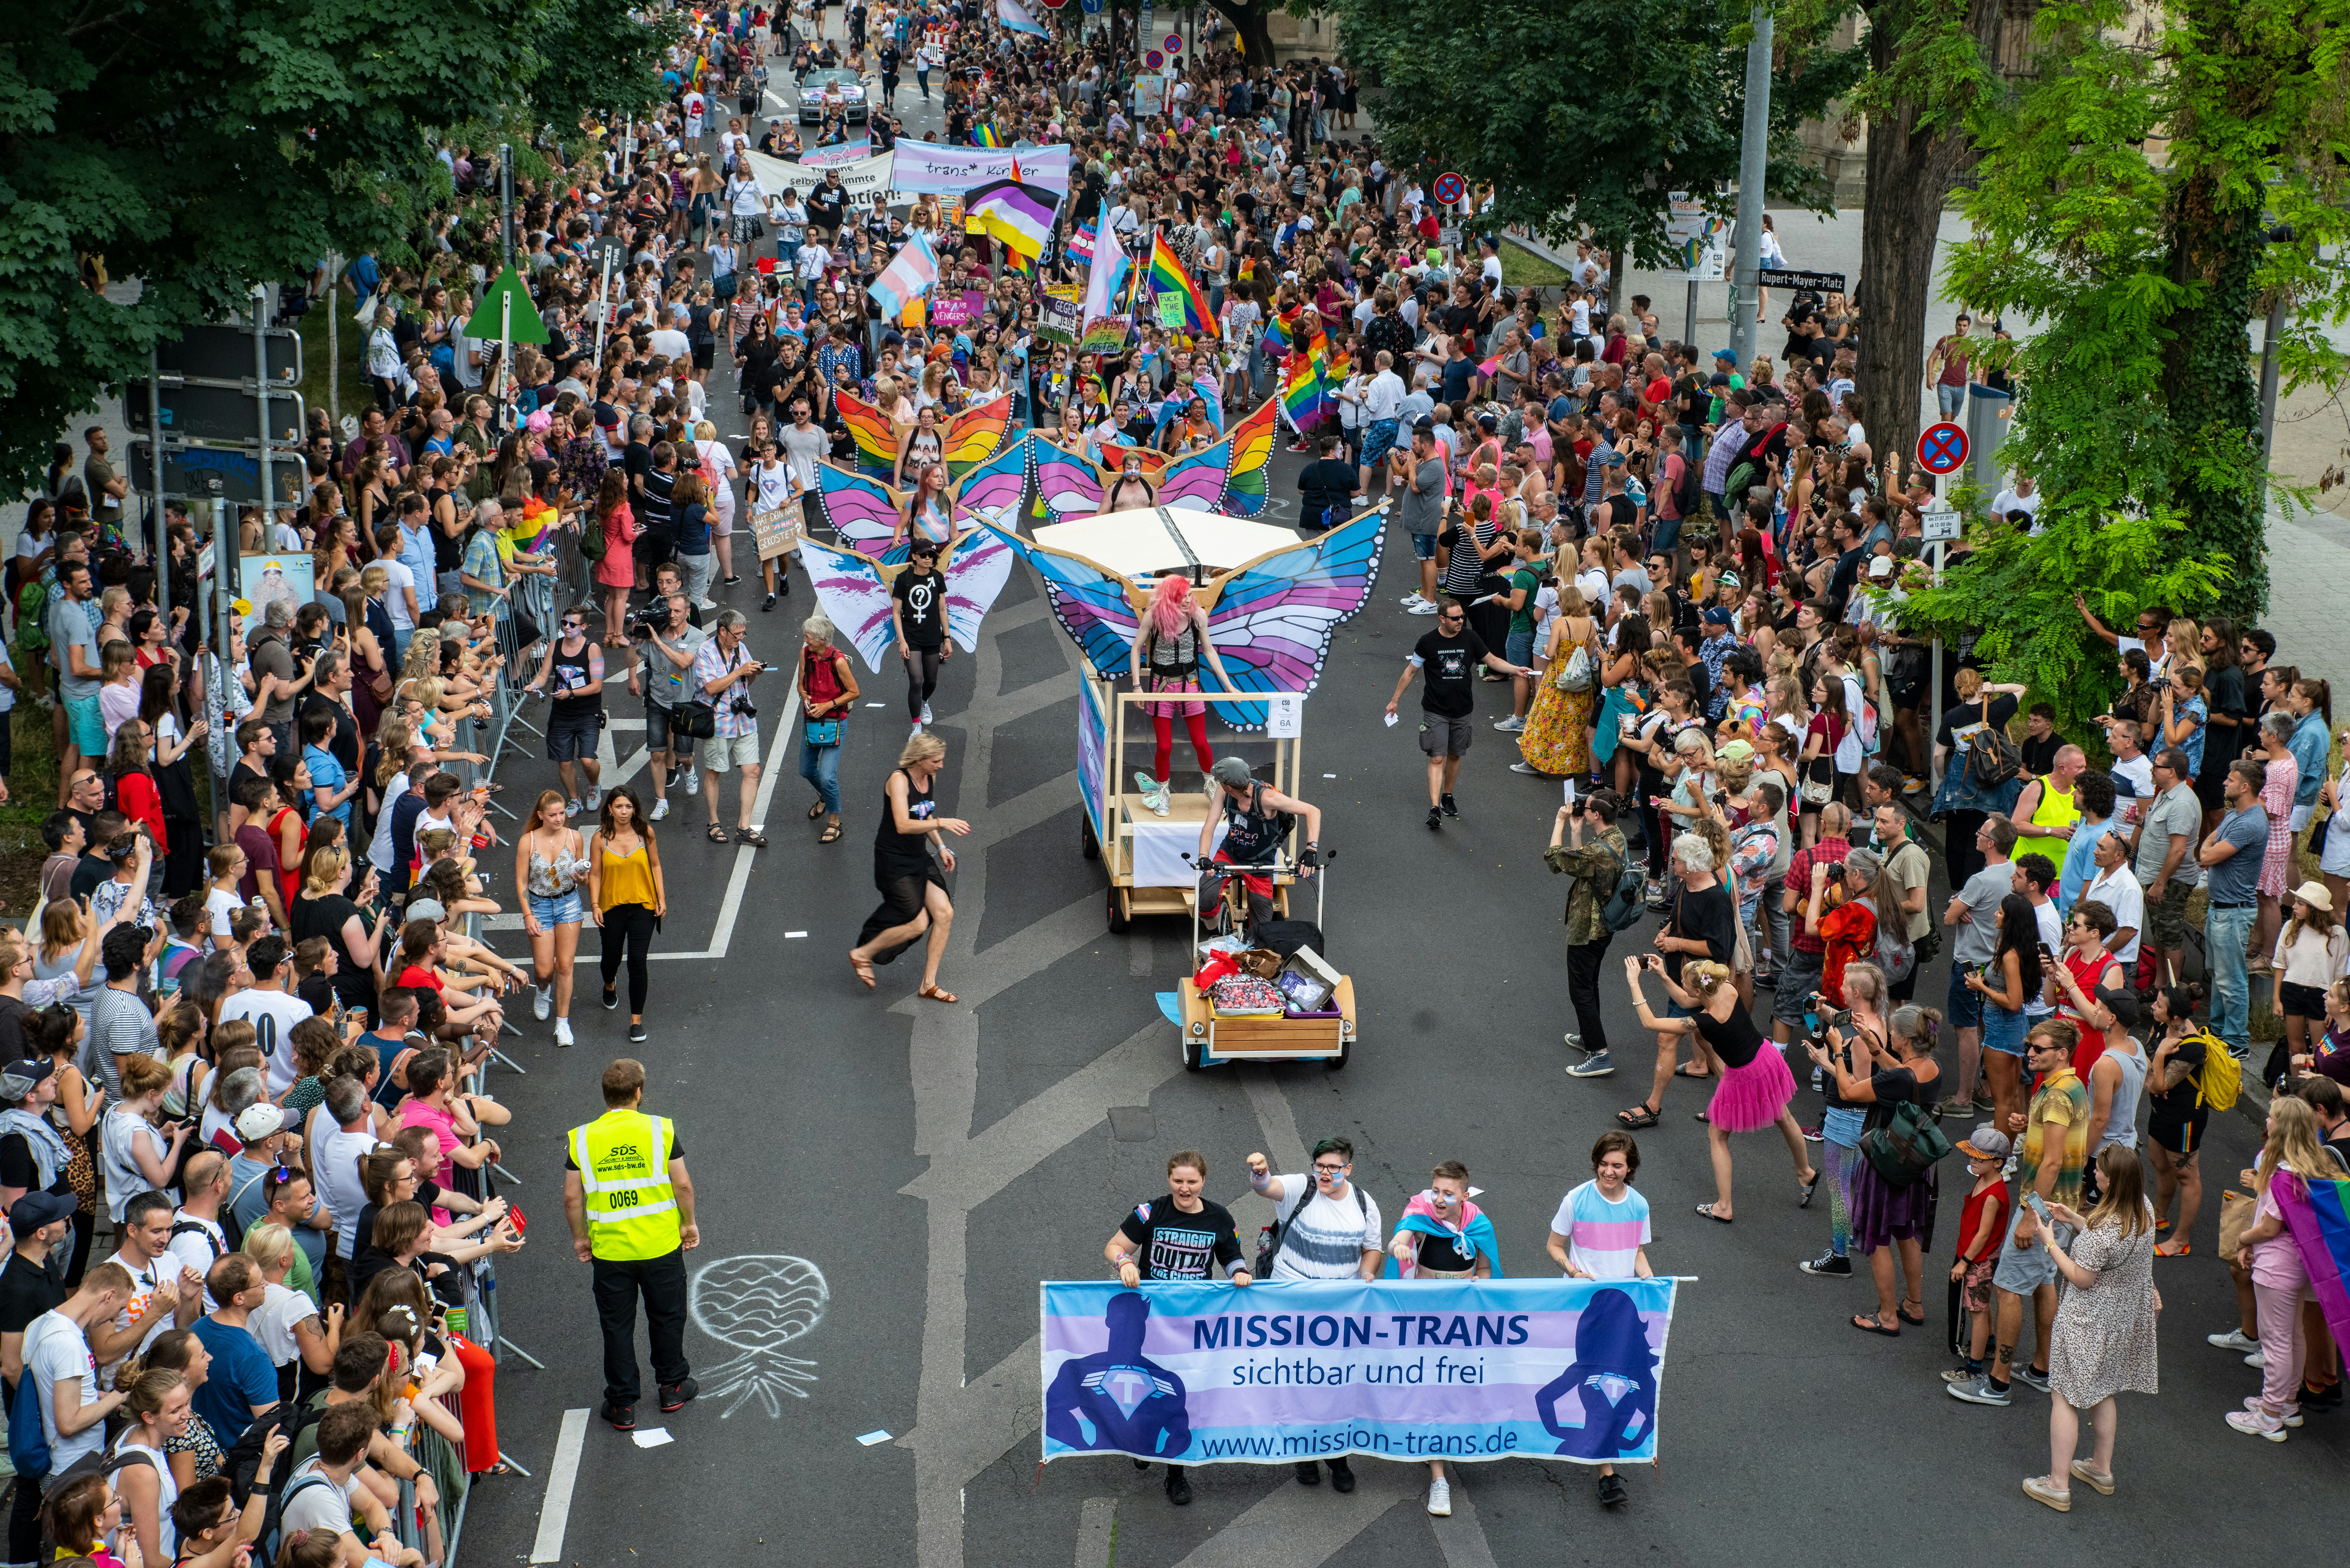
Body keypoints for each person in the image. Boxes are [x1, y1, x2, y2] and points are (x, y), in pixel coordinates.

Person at [1102, 1150, 1251, 1508]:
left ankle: (1176, 1473)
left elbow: (1231, 1255)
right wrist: (1124, 1262)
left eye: (1192, 1182)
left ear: (1203, 1181)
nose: (1185, 1189)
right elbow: (1115, 1246)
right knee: (1145, 1385)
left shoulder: (1220, 1217)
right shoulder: (1150, 1211)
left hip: (1193, 1324)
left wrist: (1239, 1273)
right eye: (1178, 1181)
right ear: (1169, 1180)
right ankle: (1141, 1441)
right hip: (1152, 1322)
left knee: (1180, 1393)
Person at [1949, 1020, 2087, 1408]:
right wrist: (2030, 1124)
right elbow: (2062, 1139)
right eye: (2030, 1047)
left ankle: (1997, 1383)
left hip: (2043, 1208)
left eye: (2039, 1049)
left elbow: (2053, 1161)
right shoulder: (2068, 1087)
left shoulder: (2058, 1095)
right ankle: (2042, 1370)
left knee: (2008, 1290)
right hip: (2062, 1209)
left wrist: (2030, 1216)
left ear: (2061, 1053)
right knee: (2044, 1283)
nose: (2030, 1054)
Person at [564, 1056, 697, 1432]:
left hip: (611, 1252)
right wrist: (688, 1225)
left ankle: (622, 1404)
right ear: (639, 1093)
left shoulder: (583, 1138)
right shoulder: (660, 1130)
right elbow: (682, 1184)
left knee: (617, 1326)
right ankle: (672, 1387)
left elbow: (573, 1198)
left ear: (606, 1095)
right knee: (668, 1316)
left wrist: (580, 1238)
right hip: (660, 1245)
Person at [1628, 954, 1813, 1223]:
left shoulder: (1704, 1021)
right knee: (1782, 1114)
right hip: (1765, 1057)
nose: (1684, 986)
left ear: (1699, 989)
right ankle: (1805, 1172)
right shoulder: (1726, 989)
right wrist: (1663, 976)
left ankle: (1723, 1207)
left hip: (1744, 1074)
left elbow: (1650, 1022)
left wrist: (1634, 982)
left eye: (1685, 983)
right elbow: (1686, 1000)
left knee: (1717, 1135)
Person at [1244, 1138, 1384, 1493]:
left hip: (1339, 1311)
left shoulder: (1365, 1204)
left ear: (1347, 1169)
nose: (1324, 1173)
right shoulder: (1300, 1189)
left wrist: (1366, 1278)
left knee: (1334, 1382)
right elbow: (1266, 1186)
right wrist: (1259, 1171)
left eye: (1333, 1168)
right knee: (1298, 1379)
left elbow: (1371, 1249)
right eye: (1319, 1165)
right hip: (1290, 1305)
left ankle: (1337, 1457)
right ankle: (1304, 1455)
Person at [2025, 1147, 2161, 1509]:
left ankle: (2057, 1485)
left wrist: (2050, 1241)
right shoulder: (2142, 1209)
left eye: (2098, 1171)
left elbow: (2081, 1277)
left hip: (2087, 1321)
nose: (2093, 1174)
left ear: (2111, 1180)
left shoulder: (2105, 1231)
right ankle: (2101, 1468)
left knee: (2065, 1397)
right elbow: (2110, 1246)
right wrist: (2073, 1218)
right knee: (2103, 1391)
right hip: (2121, 1317)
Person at [1811, 1001, 1942, 1336]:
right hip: (1914, 1162)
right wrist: (1873, 1047)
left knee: (1877, 1239)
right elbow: (1903, 1074)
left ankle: (1887, 1315)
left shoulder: (1896, 1078)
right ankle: (1913, 1304)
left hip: (1884, 1163)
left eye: (1892, 1033)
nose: (1889, 1037)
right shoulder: (1931, 1069)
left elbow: (1849, 1091)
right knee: (1905, 1231)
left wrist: (1837, 1053)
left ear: (1904, 1039)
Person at [1543, 1131, 1652, 1510]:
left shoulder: (1638, 1205)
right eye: (1604, 1164)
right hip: (1585, 1311)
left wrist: (1649, 1284)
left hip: (1621, 1314)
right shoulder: (1575, 1200)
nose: (1609, 1172)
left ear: (1630, 1168)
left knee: (1615, 1383)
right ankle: (1607, 1472)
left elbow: (1636, 1251)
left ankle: (1606, 1469)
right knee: (1601, 1382)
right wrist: (1572, 1271)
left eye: (1617, 1166)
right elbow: (1554, 1246)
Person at [1386, 1160, 1500, 1518]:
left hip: (1460, 1321)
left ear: (1464, 1195)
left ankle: (1447, 1438)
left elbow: (1484, 1268)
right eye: (1435, 1190)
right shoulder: (1421, 1214)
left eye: (1447, 1193)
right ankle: (1439, 1477)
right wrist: (1398, 1249)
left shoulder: (1479, 1224)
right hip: (1425, 1318)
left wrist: (1479, 1286)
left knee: (1455, 1387)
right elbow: (1400, 1238)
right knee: (1430, 1387)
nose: (1438, 1199)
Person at [1383, 596, 1530, 830]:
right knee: (1437, 757)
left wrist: (1515, 670)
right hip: (1435, 709)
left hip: (1463, 709)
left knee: (1454, 755)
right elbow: (1411, 672)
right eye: (1455, 618)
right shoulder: (1427, 642)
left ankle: (1448, 796)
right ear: (1442, 619)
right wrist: (1394, 700)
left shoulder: (1470, 637)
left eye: (1462, 616)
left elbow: (1491, 659)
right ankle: (1434, 809)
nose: (1460, 621)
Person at [850, 732, 967, 1003]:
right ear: (921, 759)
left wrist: (941, 848)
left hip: (918, 856)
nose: (940, 766)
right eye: (936, 761)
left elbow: (925, 814)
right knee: (917, 923)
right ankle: (863, 954)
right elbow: (903, 824)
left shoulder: (929, 778)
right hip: (894, 860)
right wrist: (941, 824)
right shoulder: (898, 781)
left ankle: (928, 984)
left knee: (944, 913)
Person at [1128, 573, 1239, 813]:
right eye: (1182, 597)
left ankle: (1211, 787)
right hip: (1161, 685)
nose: (1189, 600)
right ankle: (1162, 791)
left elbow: (1209, 651)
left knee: (1200, 741)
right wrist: (1137, 685)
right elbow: (1136, 648)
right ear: (1170, 598)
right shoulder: (1154, 617)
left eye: (1190, 594)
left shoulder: (1198, 616)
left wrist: (1228, 685)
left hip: (1190, 683)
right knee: (1165, 746)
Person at [1551, 791, 1633, 1074]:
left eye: (1585, 809)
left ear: (1596, 815)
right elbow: (1582, 866)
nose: (1580, 811)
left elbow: (1555, 859)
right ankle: (1589, 1036)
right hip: (1604, 925)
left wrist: (1561, 823)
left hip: (1588, 927)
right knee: (1590, 983)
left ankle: (1600, 1054)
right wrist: (1577, 832)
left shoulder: (1598, 850)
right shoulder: (1616, 838)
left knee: (1580, 990)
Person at [1194, 756, 1321, 935]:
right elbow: (1210, 825)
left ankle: (1252, 949)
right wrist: (1204, 857)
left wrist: (1311, 850)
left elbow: (1313, 811)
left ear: (1228, 786)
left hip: (1261, 861)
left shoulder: (1267, 798)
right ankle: (1215, 936)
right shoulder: (1223, 794)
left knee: (1262, 925)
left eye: (1220, 781)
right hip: (1231, 854)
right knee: (1206, 897)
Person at [2201, 759, 2271, 1059]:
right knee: (2217, 975)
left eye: (2230, 781)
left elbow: (2207, 857)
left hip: (2233, 912)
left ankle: (2237, 1041)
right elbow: (2210, 847)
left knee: (2232, 980)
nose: (2224, 784)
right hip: (2219, 908)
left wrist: (2207, 849)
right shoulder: (2234, 815)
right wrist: (2208, 848)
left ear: (2244, 787)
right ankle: (2218, 1032)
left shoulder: (2251, 822)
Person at [588, 787, 664, 1047]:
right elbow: (595, 874)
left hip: (643, 906)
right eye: (619, 807)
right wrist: (596, 905)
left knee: (637, 962)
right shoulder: (600, 839)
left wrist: (661, 899)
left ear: (635, 809)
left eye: (629, 807)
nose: (624, 812)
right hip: (612, 908)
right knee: (610, 960)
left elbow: (655, 865)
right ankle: (609, 984)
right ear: (610, 808)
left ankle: (635, 1021)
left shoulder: (646, 834)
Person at [514, 788, 589, 1048]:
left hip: (569, 903)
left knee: (565, 967)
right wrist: (527, 914)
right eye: (553, 815)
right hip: (539, 906)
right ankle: (543, 990)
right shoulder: (529, 841)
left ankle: (562, 1023)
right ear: (541, 816)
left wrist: (583, 878)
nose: (559, 819)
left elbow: (581, 873)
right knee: (544, 970)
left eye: (562, 813)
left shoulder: (575, 837)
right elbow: (522, 881)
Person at [2143, 985, 2212, 1256]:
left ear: (2175, 1017)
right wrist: (2154, 1071)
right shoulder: (2163, 1025)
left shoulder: (2193, 1047)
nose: (2153, 1008)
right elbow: (2150, 1073)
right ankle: (2160, 1215)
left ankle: (2180, 1241)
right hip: (2161, 1111)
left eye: (2159, 1006)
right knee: (2159, 1164)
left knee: (2186, 1176)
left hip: (2184, 1118)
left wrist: (2159, 1056)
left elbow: (2157, 1085)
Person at [628, 589, 707, 823]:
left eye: (677, 611)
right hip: (657, 702)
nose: (672, 615)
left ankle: (689, 770)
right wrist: (635, 639)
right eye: (669, 610)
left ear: (687, 613)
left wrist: (657, 642)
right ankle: (662, 802)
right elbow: (631, 661)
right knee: (657, 754)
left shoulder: (696, 637)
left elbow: (683, 663)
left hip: (684, 704)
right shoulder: (656, 634)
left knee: (684, 756)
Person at [692, 609, 769, 845]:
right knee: (714, 772)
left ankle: (744, 827)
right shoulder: (705, 652)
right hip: (718, 721)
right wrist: (739, 671)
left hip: (744, 719)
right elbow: (710, 688)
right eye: (736, 635)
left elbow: (747, 681)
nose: (740, 639)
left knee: (753, 771)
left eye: (743, 634)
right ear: (722, 631)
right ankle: (714, 822)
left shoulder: (740, 648)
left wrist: (753, 672)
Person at [524, 608, 607, 814]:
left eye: (572, 625)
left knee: (588, 760)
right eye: (564, 623)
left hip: (588, 712)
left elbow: (597, 686)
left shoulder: (592, 649)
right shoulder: (555, 646)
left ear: (584, 627)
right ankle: (574, 799)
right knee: (564, 761)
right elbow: (544, 675)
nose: (566, 628)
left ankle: (594, 786)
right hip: (562, 714)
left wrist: (570, 693)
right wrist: (534, 686)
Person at [891, 537, 952, 736]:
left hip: (932, 637)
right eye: (924, 555)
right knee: (917, 680)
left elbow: (943, 609)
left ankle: (924, 702)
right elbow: (896, 613)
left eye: (931, 556)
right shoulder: (903, 580)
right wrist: (902, 641)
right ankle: (916, 725)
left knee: (931, 682)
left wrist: (947, 638)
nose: (928, 559)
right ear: (915, 557)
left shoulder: (938, 578)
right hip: (912, 638)